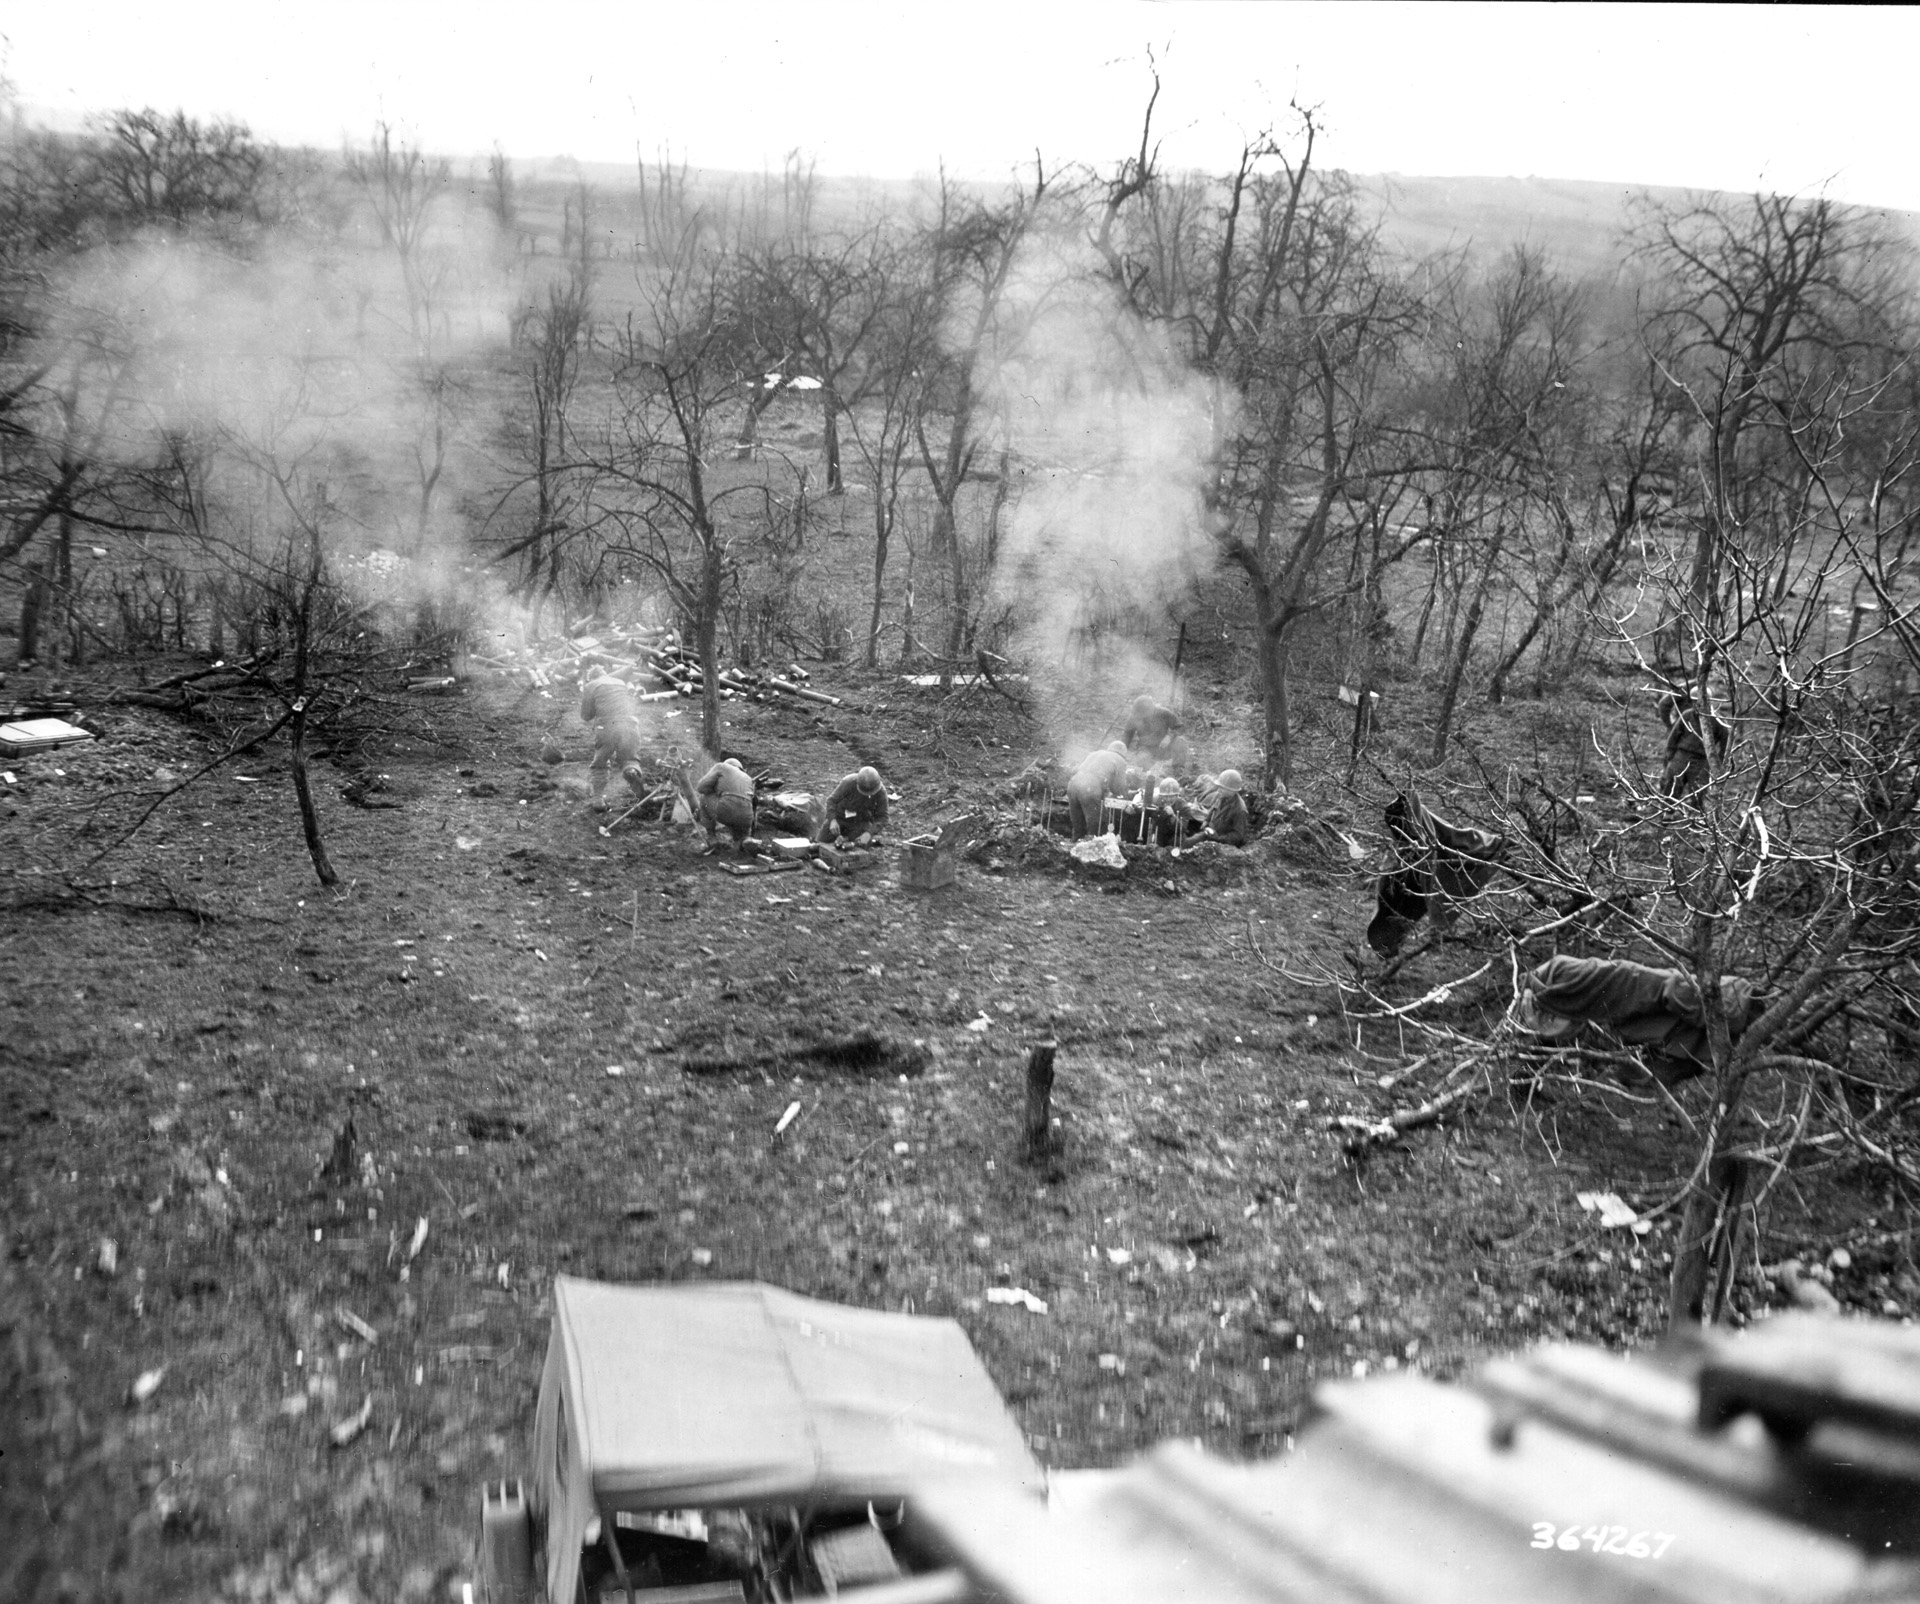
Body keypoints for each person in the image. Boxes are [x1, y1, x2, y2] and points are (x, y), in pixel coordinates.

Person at [577, 670, 648, 811]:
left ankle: (598, 801)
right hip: (630, 724)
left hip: (607, 726)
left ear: (591, 677)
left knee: (601, 762)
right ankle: (633, 776)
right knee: (630, 759)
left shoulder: (591, 685)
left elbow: (586, 716)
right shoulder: (620, 682)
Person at [1065, 741, 1131, 839]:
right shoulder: (1120, 760)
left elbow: (1076, 770)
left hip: (1073, 785)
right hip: (1089, 788)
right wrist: (1126, 797)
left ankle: (1074, 846)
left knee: (1078, 824)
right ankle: (1092, 847)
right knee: (1100, 823)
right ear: (1124, 753)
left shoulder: (1095, 754)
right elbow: (1118, 787)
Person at [694, 756, 755, 852]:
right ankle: (745, 840)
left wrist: (714, 791)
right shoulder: (749, 779)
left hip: (726, 809)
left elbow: (700, 787)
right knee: (741, 831)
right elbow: (753, 801)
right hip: (746, 817)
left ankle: (711, 838)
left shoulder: (721, 767)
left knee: (704, 797)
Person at [823, 766, 889, 844]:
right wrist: (832, 820)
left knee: (858, 849)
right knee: (818, 844)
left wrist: (869, 833)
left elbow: (883, 816)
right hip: (839, 818)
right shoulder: (848, 782)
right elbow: (831, 800)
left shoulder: (881, 792)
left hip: (860, 823)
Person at [1122, 695, 1182, 764]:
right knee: (1141, 764)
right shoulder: (1134, 717)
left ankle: (1177, 770)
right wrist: (1120, 752)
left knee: (1180, 741)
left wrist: (1169, 736)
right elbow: (1126, 736)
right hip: (1145, 749)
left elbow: (1180, 727)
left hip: (1164, 748)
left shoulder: (1164, 713)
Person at [1201, 769, 1251, 847]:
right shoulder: (1222, 797)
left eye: (1222, 788)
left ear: (1232, 790)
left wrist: (1218, 838)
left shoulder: (1240, 810)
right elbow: (1213, 809)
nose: (1218, 790)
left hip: (1224, 845)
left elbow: (1238, 836)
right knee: (1188, 843)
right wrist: (1206, 821)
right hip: (1211, 834)